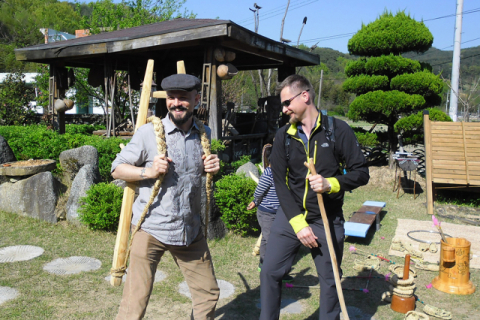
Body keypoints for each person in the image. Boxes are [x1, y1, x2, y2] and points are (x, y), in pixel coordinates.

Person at [111, 74, 221, 320]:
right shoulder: (148, 133)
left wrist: (212, 167)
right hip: (151, 228)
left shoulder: (205, 133)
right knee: (135, 302)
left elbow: (195, 172)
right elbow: (117, 168)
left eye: (183, 98)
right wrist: (148, 171)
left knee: (208, 294)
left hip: (189, 229)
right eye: (172, 98)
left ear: (196, 99)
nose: (176, 103)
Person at [260, 74, 369, 320]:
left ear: (305, 96)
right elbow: (279, 182)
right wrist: (298, 224)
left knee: (330, 280)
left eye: (287, 102)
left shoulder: (337, 130)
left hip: (326, 218)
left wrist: (330, 183)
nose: (284, 109)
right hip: (291, 218)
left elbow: (361, 173)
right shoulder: (283, 137)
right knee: (269, 272)